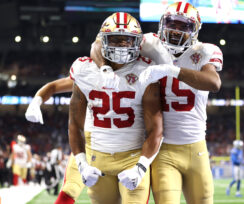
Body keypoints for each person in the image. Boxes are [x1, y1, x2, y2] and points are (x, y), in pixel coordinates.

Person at [91, 2, 222, 204]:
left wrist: (172, 70)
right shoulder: (150, 43)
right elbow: (98, 44)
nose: (176, 30)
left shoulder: (205, 51)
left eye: (183, 26)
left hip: (196, 146)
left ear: (194, 29)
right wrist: (103, 68)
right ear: (162, 23)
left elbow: (213, 83)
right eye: (171, 23)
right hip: (163, 150)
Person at [68, 12, 163, 204]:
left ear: (137, 42)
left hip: (133, 157)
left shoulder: (146, 71)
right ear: (102, 41)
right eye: (115, 39)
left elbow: (156, 129)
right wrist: (82, 164)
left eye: (127, 40)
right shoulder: (84, 70)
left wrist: (141, 167)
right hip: (98, 157)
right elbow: (74, 124)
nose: (121, 45)